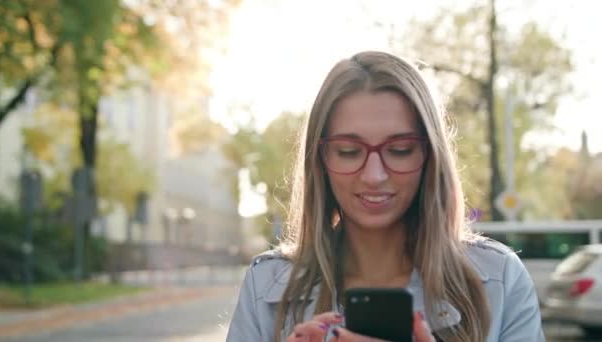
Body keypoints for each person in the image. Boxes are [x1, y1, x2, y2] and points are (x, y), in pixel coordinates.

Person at [226, 51, 544, 342]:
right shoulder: (266, 284)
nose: (374, 175)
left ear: (431, 156)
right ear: (320, 161)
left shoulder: (499, 280)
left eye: (399, 150)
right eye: (349, 152)